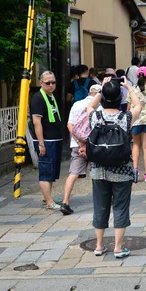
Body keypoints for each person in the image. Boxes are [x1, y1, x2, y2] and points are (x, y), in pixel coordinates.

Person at [87, 77, 142, 259]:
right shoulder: (125, 118)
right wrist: (128, 87)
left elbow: (90, 107)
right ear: (121, 99)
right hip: (122, 170)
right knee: (120, 207)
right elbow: (138, 107)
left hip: (98, 170)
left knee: (100, 207)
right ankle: (118, 247)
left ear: (102, 98)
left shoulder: (95, 116)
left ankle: (99, 245)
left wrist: (102, 88)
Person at [61, 84, 102, 215]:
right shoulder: (100, 106)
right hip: (95, 144)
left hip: (76, 145)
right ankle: (102, 200)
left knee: (73, 173)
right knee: (99, 172)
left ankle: (65, 202)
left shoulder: (76, 104)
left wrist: (80, 142)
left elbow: (69, 125)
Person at [30, 71, 63, 211]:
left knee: (52, 171)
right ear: (41, 83)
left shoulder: (51, 96)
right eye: (48, 83)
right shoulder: (38, 98)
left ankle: (47, 197)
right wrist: (41, 143)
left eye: (53, 82)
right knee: (45, 170)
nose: (51, 85)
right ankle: (49, 202)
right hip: (47, 140)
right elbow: (37, 122)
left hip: (55, 138)